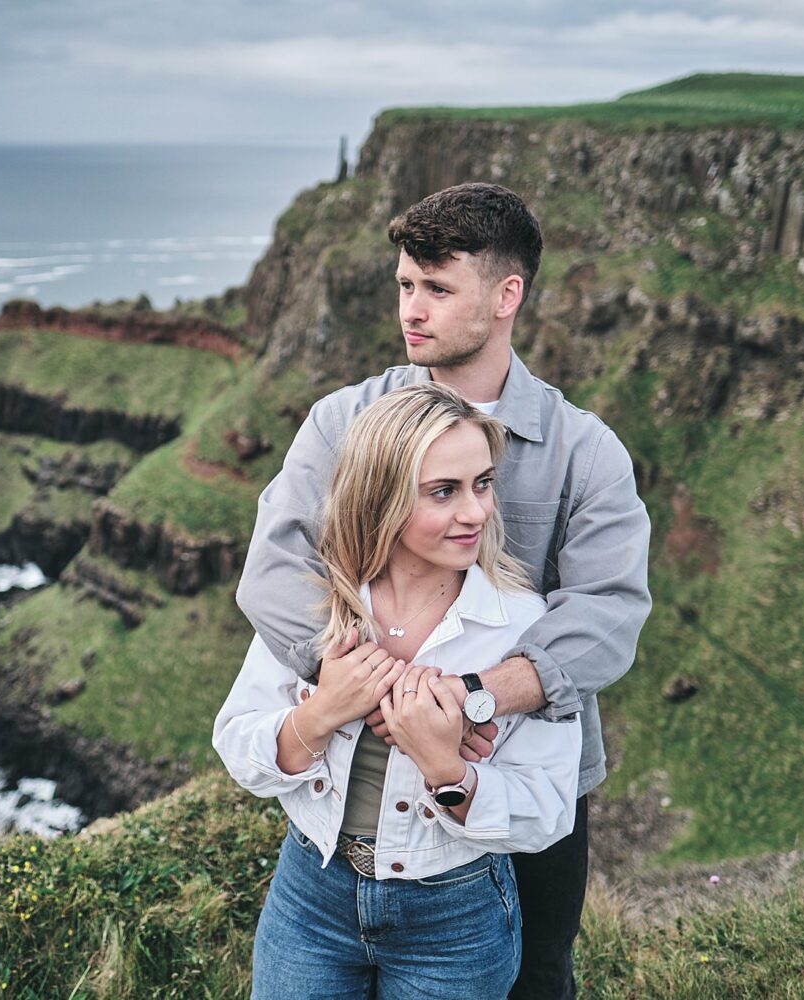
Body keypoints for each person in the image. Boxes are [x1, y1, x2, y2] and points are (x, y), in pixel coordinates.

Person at [234, 182, 652, 999]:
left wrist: (472, 700)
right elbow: (277, 566)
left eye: (437, 287)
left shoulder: (585, 451)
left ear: (506, 296)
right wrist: (361, 682)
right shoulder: (342, 422)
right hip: (355, 772)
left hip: (524, 769)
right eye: (404, 285)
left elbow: (608, 613)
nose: (411, 309)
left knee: (536, 978)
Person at [214, 382, 582, 999]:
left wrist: (446, 768)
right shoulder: (320, 606)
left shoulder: (524, 626)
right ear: (381, 496)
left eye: (483, 484)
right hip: (312, 892)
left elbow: (547, 810)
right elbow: (235, 739)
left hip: (456, 916)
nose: (477, 512)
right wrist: (322, 713)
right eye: (445, 491)